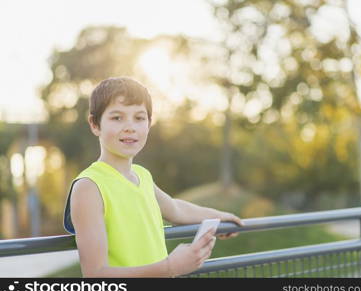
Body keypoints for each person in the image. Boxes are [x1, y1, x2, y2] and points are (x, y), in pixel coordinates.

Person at [63, 76, 244, 278]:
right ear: (95, 124)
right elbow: (96, 275)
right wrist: (170, 267)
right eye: (117, 117)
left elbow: (176, 209)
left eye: (139, 118)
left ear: (149, 124)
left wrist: (218, 216)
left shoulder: (142, 176)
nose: (130, 126)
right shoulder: (89, 186)